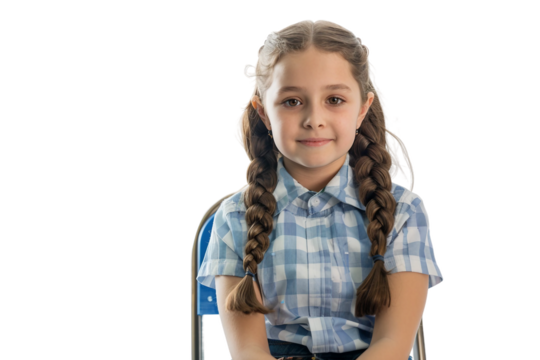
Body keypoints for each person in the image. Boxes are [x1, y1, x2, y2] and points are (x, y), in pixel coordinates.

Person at [197, 17, 445, 360]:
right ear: (264, 113)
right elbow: (248, 351)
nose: (314, 118)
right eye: (292, 101)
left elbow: (392, 346)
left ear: (362, 110)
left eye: (335, 99)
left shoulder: (402, 212)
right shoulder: (235, 219)